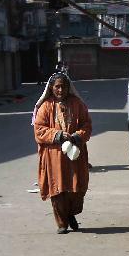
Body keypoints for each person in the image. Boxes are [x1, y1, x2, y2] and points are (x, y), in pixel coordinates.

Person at [32, 73, 92, 234]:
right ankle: (62, 223)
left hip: (75, 154)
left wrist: (77, 136)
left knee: (77, 188)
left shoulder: (77, 104)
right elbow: (39, 130)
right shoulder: (46, 106)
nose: (60, 89)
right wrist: (58, 135)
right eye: (57, 86)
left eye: (63, 86)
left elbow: (87, 124)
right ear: (51, 88)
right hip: (54, 156)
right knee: (57, 189)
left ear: (68, 87)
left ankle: (70, 213)